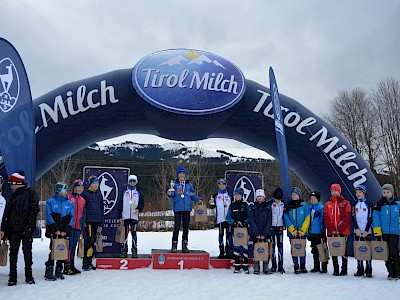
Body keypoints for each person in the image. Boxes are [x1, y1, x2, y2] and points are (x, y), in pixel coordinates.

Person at [0, 171, 40, 286]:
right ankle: (12, 275)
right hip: (13, 230)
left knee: (27, 251)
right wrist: (4, 228)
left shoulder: (31, 193)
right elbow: (7, 213)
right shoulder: (13, 196)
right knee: (13, 252)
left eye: (11, 184)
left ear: (17, 183)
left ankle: (29, 275)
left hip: (26, 229)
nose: (10, 186)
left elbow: (34, 210)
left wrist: (29, 226)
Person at [44, 182, 74, 281]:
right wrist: (55, 229)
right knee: (53, 249)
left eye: (66, 190)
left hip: (64, 231)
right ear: (58, 190)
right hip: (54, 231)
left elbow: (71, 217)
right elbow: (48, 216)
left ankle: (59, 270)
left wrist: (66, 230)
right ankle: (49, 271)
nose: (66, 192)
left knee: (62, 248)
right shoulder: (50, 202)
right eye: (64, 190)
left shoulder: (69, 203)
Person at [167, 166, 200, 253]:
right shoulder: (174, 184)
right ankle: (174, 245)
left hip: (187, 209)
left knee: (186, 227)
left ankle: (184, 245)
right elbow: (172, 196)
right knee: (176, 227)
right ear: (177, 175)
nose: (181, 175)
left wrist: (198, 199)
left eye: (183, 173)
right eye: (180, 173)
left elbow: (192, 195)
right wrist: (169, 194)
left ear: (185, 175)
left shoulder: (189, 185)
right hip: (178, 209)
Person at [372, 183, 400, 280]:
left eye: (388, 192)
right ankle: (390, 272)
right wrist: (377, 232)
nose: (386, 194)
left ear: (391, 192)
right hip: (384, 232)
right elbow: (376, 219)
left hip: (395, 232)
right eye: (384, 192)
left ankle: (397, 271)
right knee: (386, 252)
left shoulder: (397, 204)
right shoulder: (379, 205)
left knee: (394, 251)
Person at [324, 183, 351, 276]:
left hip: (343, 231)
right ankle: (335, 268)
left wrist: (339, 228)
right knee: (334, 248)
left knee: (343, 249)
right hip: (332, 231)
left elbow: (347, 217)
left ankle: (344, 269)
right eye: (332, 191)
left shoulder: (345, 203)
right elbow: (326, 218)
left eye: (335, 190)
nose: (334, 192)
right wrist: (331, 229)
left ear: (339, 191)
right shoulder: (328, 204)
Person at [284, 187, 310, 274]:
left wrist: (302, 230)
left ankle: (303, 265)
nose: (293, 196)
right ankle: (296, 265)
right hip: (293, 232)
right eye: (292, 194)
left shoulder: (304, 205)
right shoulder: (288, 206)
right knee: (294, 248)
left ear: (299, 195)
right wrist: (293, 230)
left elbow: (307, 218)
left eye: (295, 194)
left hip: (302, 232)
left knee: (302, 248)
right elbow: (286, 219)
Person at [118, 174, 144, 258]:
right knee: (124, 234)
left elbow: (142, 203)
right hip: (125, 216)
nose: (132, 182)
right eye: (130, 181)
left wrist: (138, 209)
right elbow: (120, 204)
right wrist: (120, 216)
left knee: (133, 233)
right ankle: (124, 250)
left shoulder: (138, 193)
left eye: (133, 181)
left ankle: (134, 250)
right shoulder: (124, 193)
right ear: (128, 182)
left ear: (136, 182)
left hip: (134, 217)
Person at [81, 175, 104, 271]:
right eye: (94, 183)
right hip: (88, 221)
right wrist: (84, 222)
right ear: (90, 184)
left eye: (98, 183)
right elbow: (82, 209)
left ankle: (89, 261)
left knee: (93, 241)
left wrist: (100, 223)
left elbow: (102, 209)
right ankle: (86, 262)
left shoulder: (99, 194)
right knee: (89, 241)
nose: (96, 185)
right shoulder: (85, 194)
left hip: (97, 221)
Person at [64, 179, 86, 275]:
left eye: (82, 187)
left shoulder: (82, 200)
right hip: (69, 226)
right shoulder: (69, 198)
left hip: (78, 226)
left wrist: (82, 227)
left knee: (73, 246)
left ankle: (71, 265)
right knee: (68, 246)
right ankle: (66, 265)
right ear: (74, 187)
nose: (80, 189)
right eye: (78, 187)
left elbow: (83, 214)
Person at [227, 188, 250, 274]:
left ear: (242, 195)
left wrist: (245, 222)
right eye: (236, 194)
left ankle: (245, 265)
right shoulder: (232, 205)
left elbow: (249, 216)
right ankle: (237, 265)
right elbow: (228, 217)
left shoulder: (246, 205)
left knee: (245, 247)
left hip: (244, 229)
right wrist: (234, 222)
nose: (237, 196)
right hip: (235, 229)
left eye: (239, 194)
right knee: (236, 247)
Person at [249, 189, 272, 275]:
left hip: (265, 233)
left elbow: (269, 221)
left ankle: (265, 267)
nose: (259, 198)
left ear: (264, 197)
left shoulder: (268, 207)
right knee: (256, 249)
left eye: (261, 196)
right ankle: (256, 267)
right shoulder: (253, 207)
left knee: (266, 249)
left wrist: (264, 233)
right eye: (258, 196)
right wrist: (257, 233)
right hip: (256, 233)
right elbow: (252, 221)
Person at [209, 178, 232, 259]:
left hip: (228, 219)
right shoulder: (215, 195)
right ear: (218, 185)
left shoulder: (230, 195)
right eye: (220, 184)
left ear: (226, 185)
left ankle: (229, 252)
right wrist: (211, 203)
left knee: (229, 235)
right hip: (220, 219)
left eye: (223, 184)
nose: (222, 186)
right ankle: (221, 252)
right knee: (221, 235)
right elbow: (212, 207)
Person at [308, 191, 328, 273]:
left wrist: (323, 231)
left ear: (318, 199)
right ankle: (316, 266)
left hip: (319, 232)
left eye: (314, 198)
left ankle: (324, 266)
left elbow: (324, 220)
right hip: (312, 232)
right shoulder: (309, 208)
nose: (312, 200)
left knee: (322, 249)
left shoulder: (321, 208)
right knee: (314, 250)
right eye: (311, 198)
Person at [267, 187, 285, 273]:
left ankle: (280, 266)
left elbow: (285, 215)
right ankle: (274, 265)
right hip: (271, 227)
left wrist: (284, 224)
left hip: (280, 227)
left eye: (279, 199)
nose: (277, 200)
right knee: (272, 246)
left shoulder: (283, 204)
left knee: (280, 246)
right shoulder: (270, 203)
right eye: (276, 198)